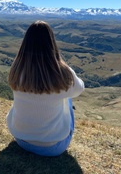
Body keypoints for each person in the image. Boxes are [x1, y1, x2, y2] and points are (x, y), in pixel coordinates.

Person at [6, 20, 84, 156]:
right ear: (51, 43)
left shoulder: (17, 69)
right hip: (53, 147)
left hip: (21, 139)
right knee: (68, 97)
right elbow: (79, 89)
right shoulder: (63, 73)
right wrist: (65, 68)